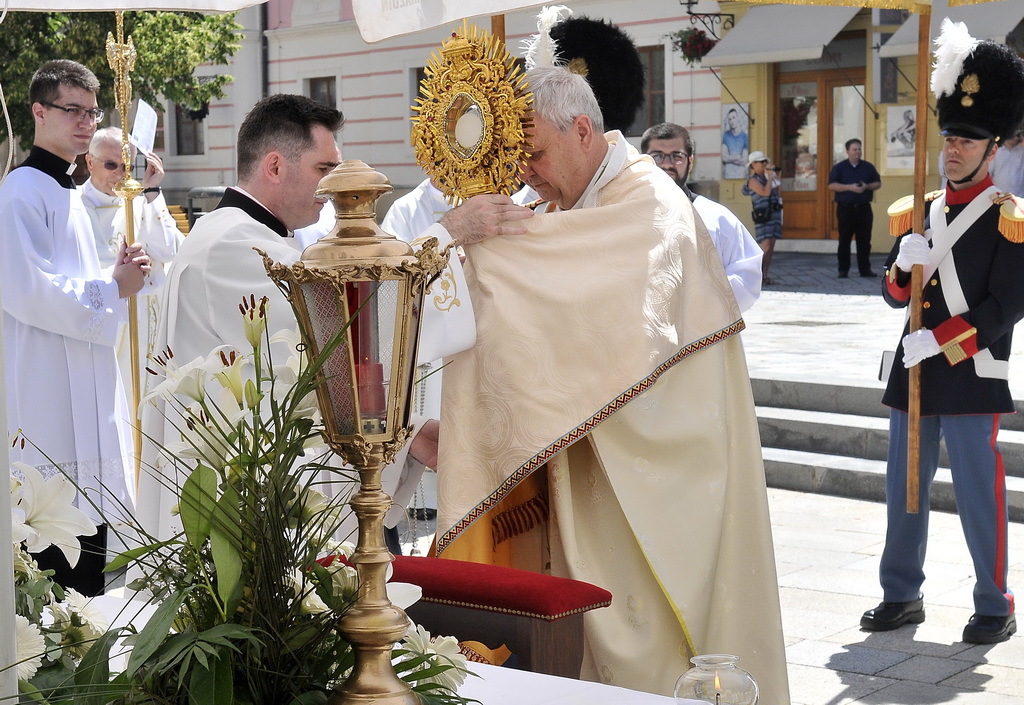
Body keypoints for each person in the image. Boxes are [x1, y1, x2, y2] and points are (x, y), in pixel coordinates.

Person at [434, 65, 789, 703]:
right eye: (519, 159)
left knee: (654, 639)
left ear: (581, 129)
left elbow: (606, 322)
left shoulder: (650, 201)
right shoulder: (564, 207)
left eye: (535, 154)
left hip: (664, 475)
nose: (527, 174)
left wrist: (488, 251)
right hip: (592, 467)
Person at [139, 94, 528, 543]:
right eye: (323, 169)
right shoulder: (233, 247)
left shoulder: (244, 236)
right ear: (274, 166)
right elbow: (344, 334)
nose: (331, 187)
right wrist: (447, 234)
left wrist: (408, 433)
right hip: (237, 504)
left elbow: (305, 374)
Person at [861, 21, 1024, 645]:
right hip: (915, 369)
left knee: (979, 493)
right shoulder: (918, 209)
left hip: (970, 371)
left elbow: (1006, 306)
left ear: (993, 149)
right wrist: (903, 265)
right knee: (904, 488)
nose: (954, 149)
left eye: (968, 140)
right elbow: (893, 295)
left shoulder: (1009, 218)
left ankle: (994, 602)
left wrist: (943, 338)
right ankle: (901, 592)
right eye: (950, 137)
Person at [0, 60, 150, 595]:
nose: (86, 122)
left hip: (84, 382)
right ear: (39, 112)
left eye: (92, 112)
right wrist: (113, 289)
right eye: (73, 110)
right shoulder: (21, 192)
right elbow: (29, 289)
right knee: (52, 550)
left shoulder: (69, 192)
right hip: (45, 388)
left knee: (92, 545)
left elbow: (77, 279)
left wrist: (117, 273)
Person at [81, 127, 183, 397]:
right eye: (111, 165)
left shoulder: (139, 202)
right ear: (90, 162)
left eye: (127, 167)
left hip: (144, 323)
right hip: (101, 323)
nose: (120, 174)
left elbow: (169, 251)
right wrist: (122, 275)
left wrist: (153, 191)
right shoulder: (73, 206)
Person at [642, 122, 762, 312]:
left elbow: (747, 279)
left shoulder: (717, 218)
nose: (667, 164)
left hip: (702, 326)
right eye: (657, 156)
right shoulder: (625, 215)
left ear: (690, 162)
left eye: (677, 156)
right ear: (643, 161)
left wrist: (694, 297)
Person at [828, 138, 881, 278]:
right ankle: (843, 270)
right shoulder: (839, 168)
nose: (858, 152)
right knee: (844, 239)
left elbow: (877, 183)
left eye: (859, 149)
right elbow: (832, 185)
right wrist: (850, 188)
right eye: (854, 149)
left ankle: (865, 269)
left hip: (863, 208)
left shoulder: (868, 167)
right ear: (847, 151)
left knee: (864, 240)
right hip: (846, 209)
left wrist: (867, 186)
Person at [742, 151, 782, 285]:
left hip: (774, 214)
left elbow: (778, 193)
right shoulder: (752, 180)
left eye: (765, 161)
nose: (765, 164)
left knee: (771, 247)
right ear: (753, 164)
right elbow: (765, 192)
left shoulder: (767, 177)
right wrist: (770, 178)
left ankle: (765, 276)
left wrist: (775, 177)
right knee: (765, 247)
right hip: (763, 215)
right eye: (761, 162)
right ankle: (756, 276)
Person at [990, 129, 1024, 196]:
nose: (1019, 138)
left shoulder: (1021, 150)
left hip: (1020, 195)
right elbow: (989, 173)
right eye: (1017, 135)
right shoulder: (996, 151)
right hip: (1000, 195)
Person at [721, 106, 749, 179]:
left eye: (734, 118)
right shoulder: (726, 136)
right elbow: (724, 158)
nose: (732, 121)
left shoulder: (744, 137)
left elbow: (744, 160)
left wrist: (729, 159)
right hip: (728, 174)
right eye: (730, 119)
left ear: (738, 118)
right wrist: (737, 157)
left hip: (740, 174)